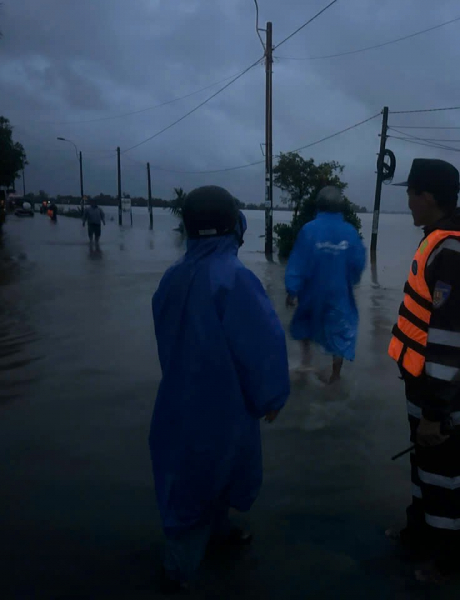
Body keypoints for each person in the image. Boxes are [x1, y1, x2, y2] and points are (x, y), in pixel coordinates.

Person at [149, 185, 290, 592]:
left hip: (177, 402)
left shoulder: (172, 277)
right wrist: (272, 396)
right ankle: (178, 575)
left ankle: (216, 536)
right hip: (223, 406)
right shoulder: (235, 278)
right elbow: (262, 342)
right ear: (234, 226)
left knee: (192, 479)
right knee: (209, 480)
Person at [385, 158, 460, 584]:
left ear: (427, 197)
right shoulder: (442, 240)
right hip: (429, 386)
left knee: (451, 475)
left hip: (447, 392)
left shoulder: (452, 251)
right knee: (428, 467)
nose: (408, 202)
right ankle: (420, 534)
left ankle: (453, 557)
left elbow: (451, 342)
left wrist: (435, 411)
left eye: (411, 193)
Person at [284, 185, 367, 384]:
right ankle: (335, 377)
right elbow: (358, 262)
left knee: (303, 322)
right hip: (338, 293)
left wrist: (292, 290)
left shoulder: (309, 229)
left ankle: (306, 361)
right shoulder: (350, 231)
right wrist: (351, 280)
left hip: (311, 292)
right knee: (340, 330)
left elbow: (297, 262)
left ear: (318, 205)